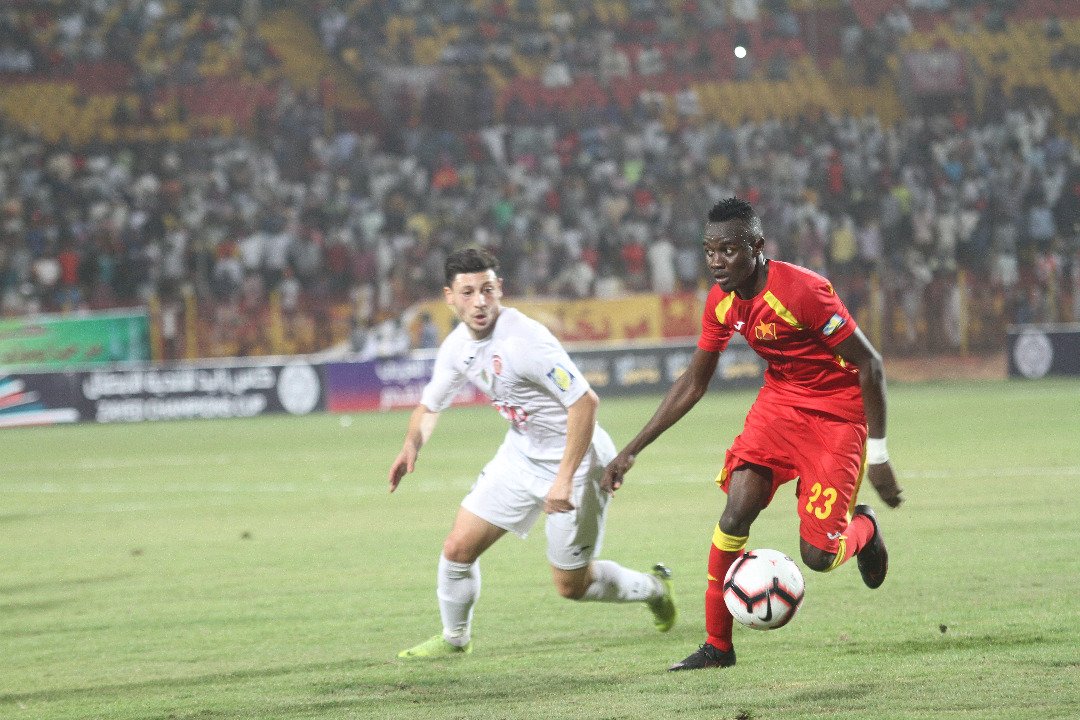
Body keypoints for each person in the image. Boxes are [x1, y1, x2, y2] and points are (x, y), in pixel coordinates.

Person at [602, 197, 904, 671]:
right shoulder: (721, 300)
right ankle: (717, 646)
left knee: (819, 556)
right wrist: (631, 451)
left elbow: (871, 364)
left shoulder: (803, 291)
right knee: (735, 511)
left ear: (757, 247)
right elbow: (694, 382)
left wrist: (880, 456)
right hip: (780, 406)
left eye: (728, 250)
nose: (716, 262)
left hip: (838, 415)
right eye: (709, 251)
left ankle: (864, 529)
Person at [389, 247, 676, 658]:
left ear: (500, 289)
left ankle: (653, 589)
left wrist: (563, 479)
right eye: (468, 292)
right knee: (457, 548)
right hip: (520, 455)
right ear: (449, 297)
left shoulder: (525, 341)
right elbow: (429, 406)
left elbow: (585, 403)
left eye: (487, 289)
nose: (480, 301)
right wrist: (411, 444)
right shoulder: (456, 347)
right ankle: (455, 638)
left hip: (578, 462)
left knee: (571, 585)